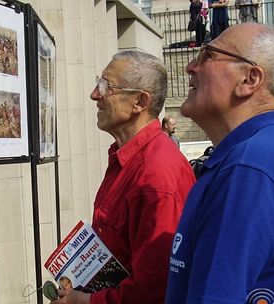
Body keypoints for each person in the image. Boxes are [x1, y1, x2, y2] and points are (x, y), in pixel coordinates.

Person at [165, 23, 274, 303]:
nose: (190, 66)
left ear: (249, 79)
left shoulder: (251, 168)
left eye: (207, 55)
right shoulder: (264, 156)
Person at [52, 51, 196, 304]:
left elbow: (154, 290)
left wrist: (81, 302)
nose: (95, 94)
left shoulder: (157, 174)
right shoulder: (126, 158)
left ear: (139, 102)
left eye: (106, 86)